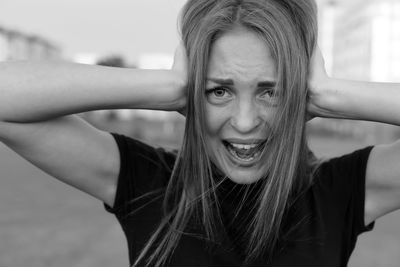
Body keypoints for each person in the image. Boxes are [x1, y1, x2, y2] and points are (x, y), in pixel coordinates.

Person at [0, 0, 400, 266]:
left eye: (271, 91)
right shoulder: (148, 182)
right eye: (219, 90)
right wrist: (172, 86)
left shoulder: (340, 192)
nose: (245, 122)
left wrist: (329, 94)